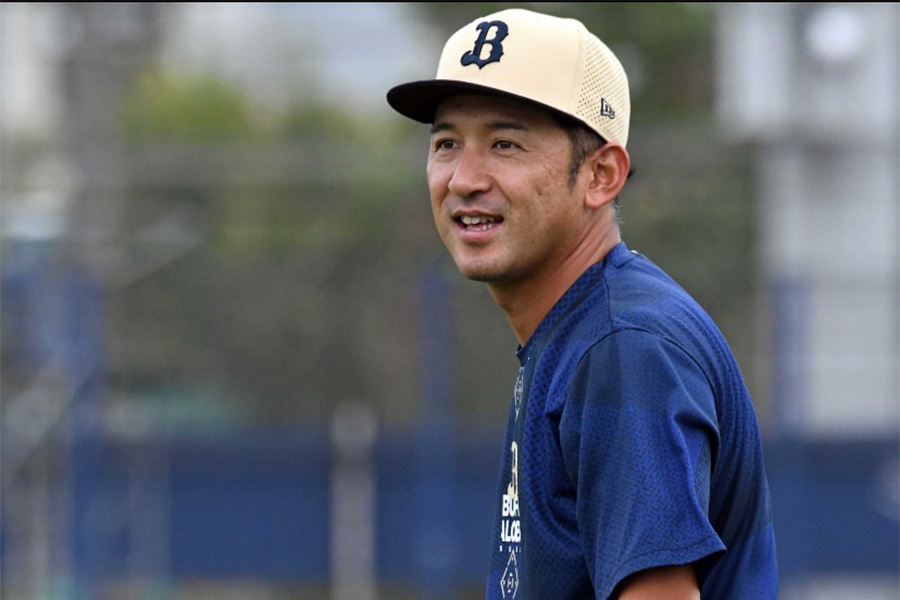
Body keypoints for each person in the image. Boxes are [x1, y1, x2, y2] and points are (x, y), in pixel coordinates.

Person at [387, 8, 777, 599]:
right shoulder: (579, 332)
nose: (463, 177)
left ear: (600, 175)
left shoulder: (624, 349)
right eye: (447, 143)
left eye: (505, 143)